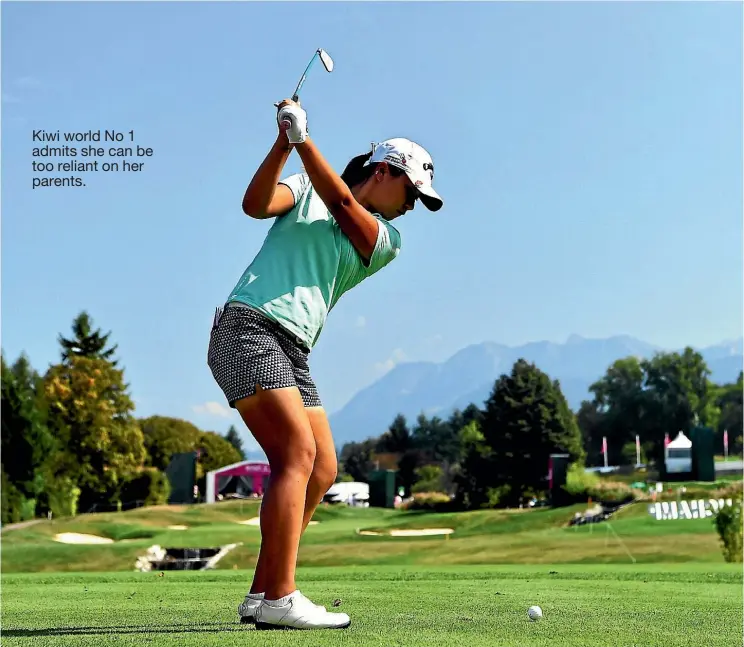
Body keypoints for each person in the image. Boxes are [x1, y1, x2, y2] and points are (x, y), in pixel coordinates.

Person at [207, 98, 443, 630]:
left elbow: (341, 202)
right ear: (384, 172)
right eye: (412, 193)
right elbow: (255, 204)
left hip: (293, 347)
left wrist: (304, 140)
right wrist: (283, 142)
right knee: (297, 453)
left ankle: (263, 591)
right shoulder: (306, 188)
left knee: (324, 468)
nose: (411, 207)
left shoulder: (385, 240)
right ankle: (282, 598)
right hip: (249, 328)